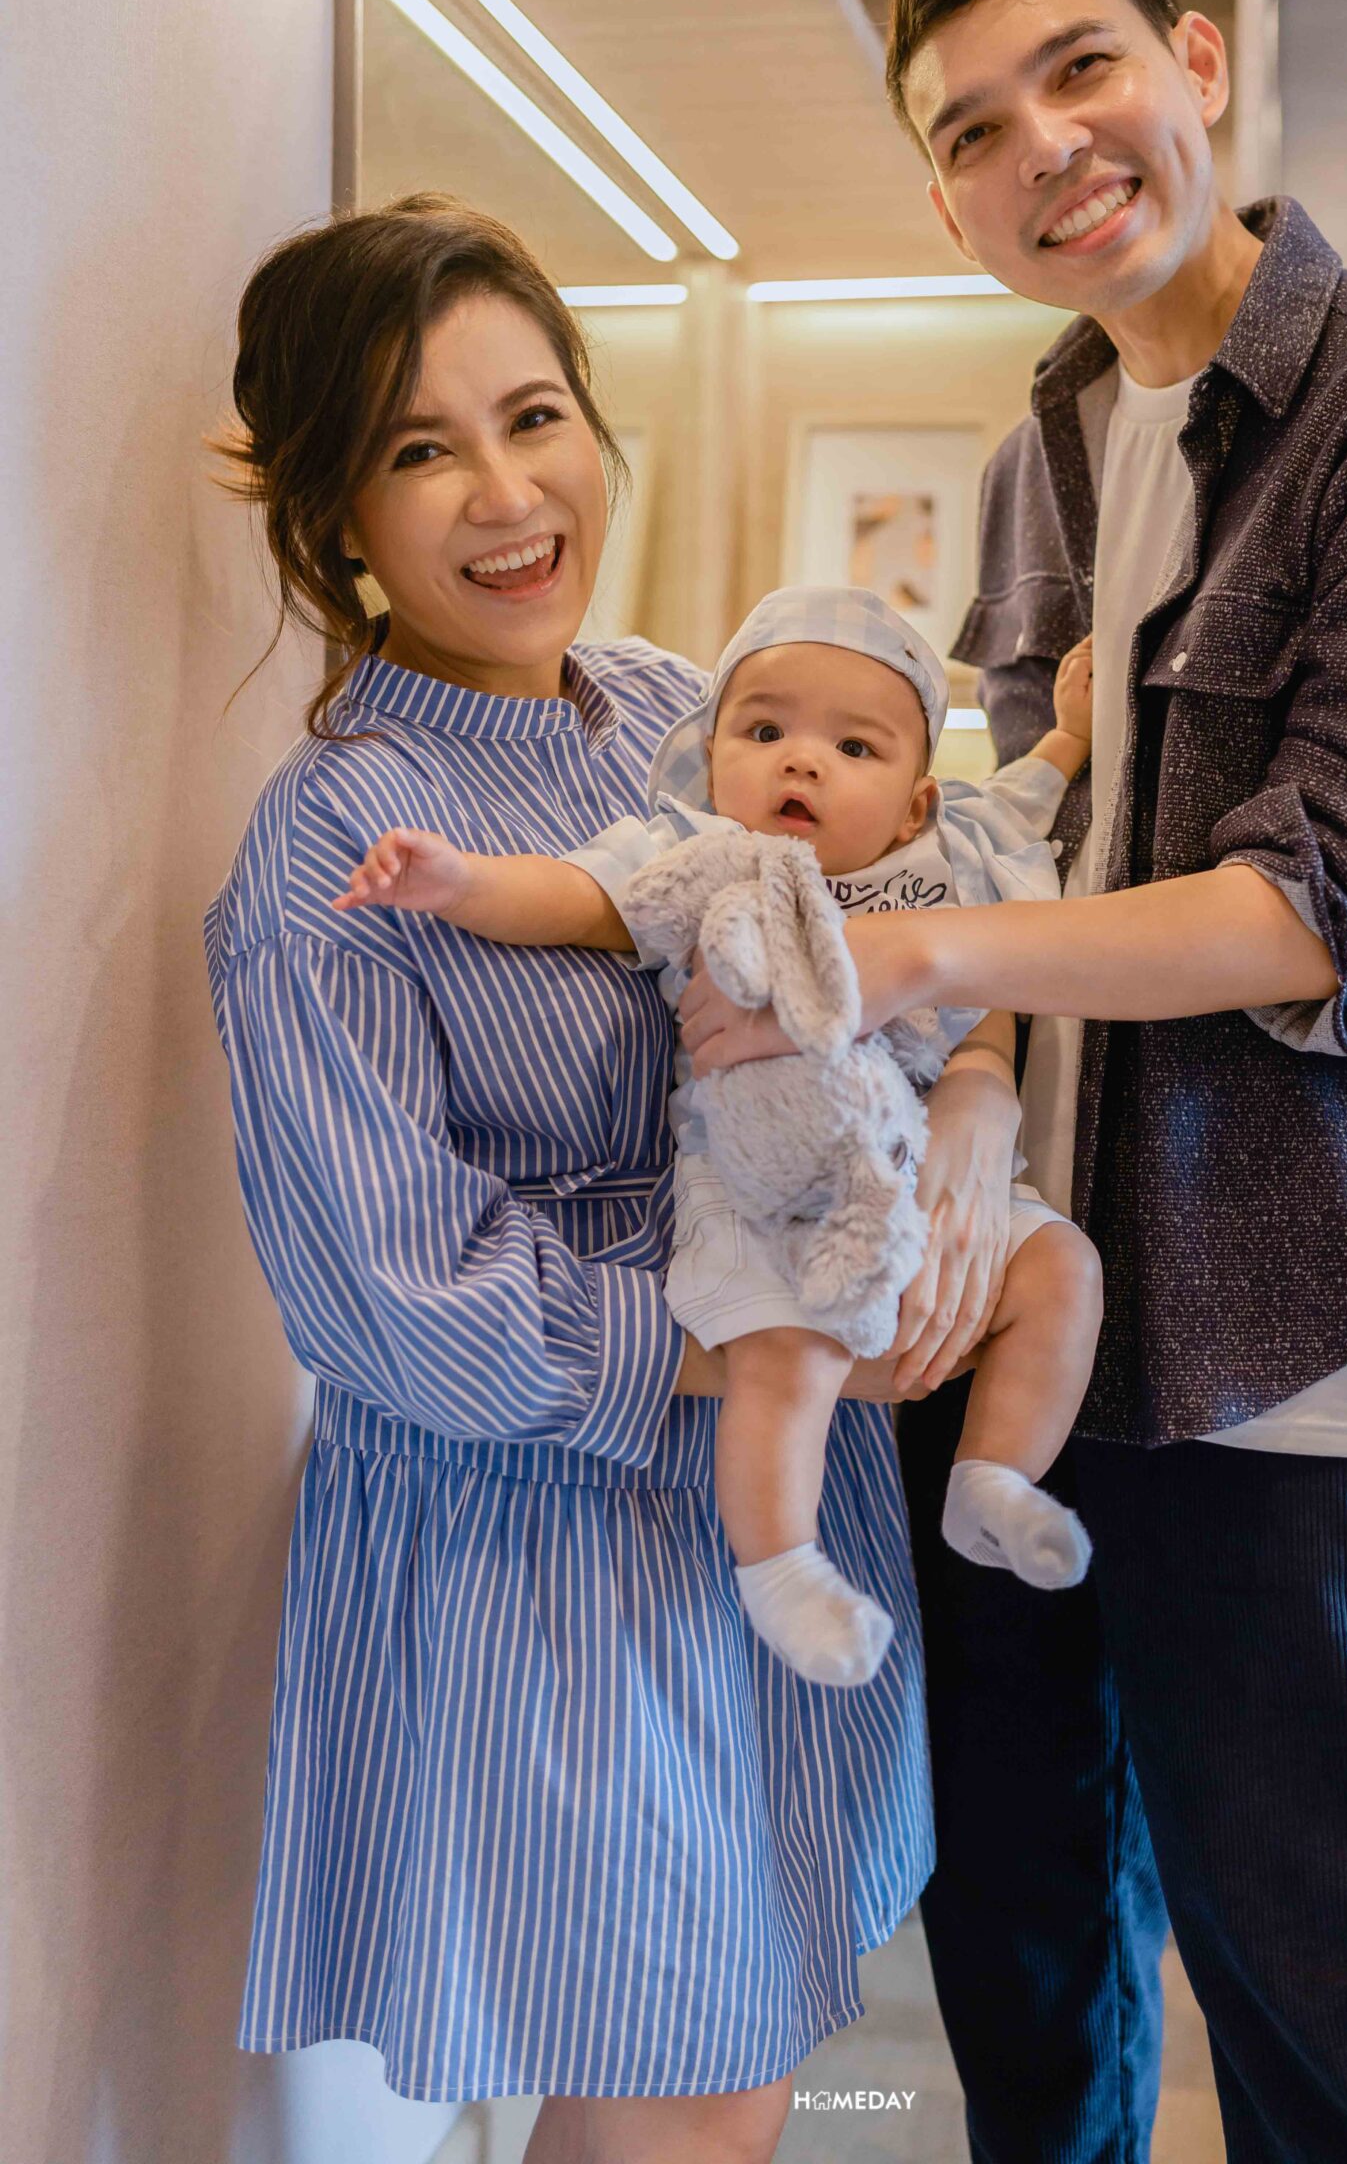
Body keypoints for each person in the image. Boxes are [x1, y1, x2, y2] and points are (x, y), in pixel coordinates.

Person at [680, 0, 1347, 2160]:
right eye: (973, 129)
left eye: (1080, 70)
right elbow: (1027, 834)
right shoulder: (1053, 445)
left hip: (1284, 1350)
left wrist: (917, 974)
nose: (1045, 146)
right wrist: (959, 1093)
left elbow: (1323, 898)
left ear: (1192, 66)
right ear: (945, 202)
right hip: (1015, 1324)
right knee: (1023, 1972)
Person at [202, 194, 1023, 2164]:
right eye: (420, 448)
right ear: (334, 515)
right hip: (549, 1542)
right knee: (691, 2090)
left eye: (534, 415)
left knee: (730, 2059)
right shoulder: (332, 849)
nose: (507, 495)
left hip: (766, 1484)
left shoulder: (678, 706)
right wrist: (773, 1337)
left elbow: (924, 919)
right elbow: (399, 1303)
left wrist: (978, 1105)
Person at [329, 588, 1105, 1687]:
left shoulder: (950, 851)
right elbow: (577, 893)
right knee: (787, 1351)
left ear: (916, 800)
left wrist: (1070, 733)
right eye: (765, 729)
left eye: (853, 746)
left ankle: (992, 1479)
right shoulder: (700, 853)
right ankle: (780, 1566)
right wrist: (458, 882)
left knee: (1063, 1272)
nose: (802, 761)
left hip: (924, 1172)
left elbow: (1023, 799)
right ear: (709, 757)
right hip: (760, 1186)